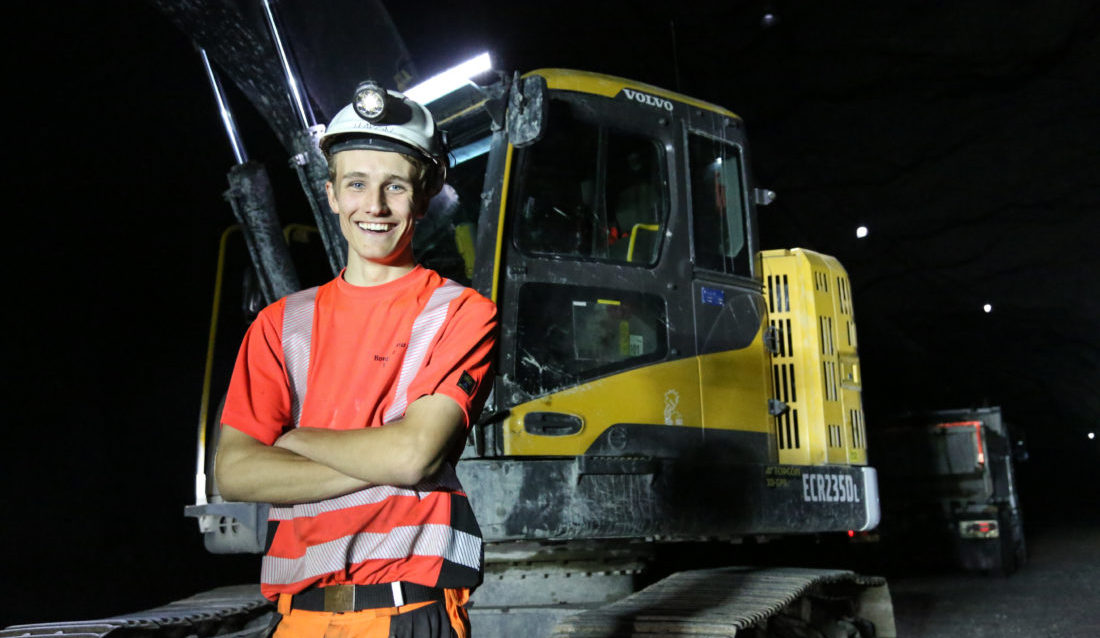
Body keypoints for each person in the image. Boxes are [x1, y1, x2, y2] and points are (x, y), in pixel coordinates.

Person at [214, 81, 497, 638]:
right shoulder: (280, 325)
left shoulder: (460, 313)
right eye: (357, 184)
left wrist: (291, 439)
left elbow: (413, 456)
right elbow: (235, 471)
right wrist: (378, 460)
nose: (374, 205)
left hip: (409, 615)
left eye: (395, 185)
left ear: (424, 194)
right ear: (331, 195)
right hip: (298, 621)